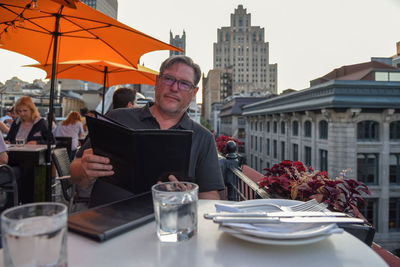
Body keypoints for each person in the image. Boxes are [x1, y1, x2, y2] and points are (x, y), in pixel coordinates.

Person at [70, 55, 225, 200]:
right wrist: (84, 170)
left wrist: (188, 197)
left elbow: (210, 197)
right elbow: (76, 171)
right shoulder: (116, 118)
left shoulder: (203, 137)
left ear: (194, 93)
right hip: (105, 222)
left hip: (168, 224)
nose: (174, 88)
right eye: (169, 79)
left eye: (184, 84)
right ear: (157, 81)